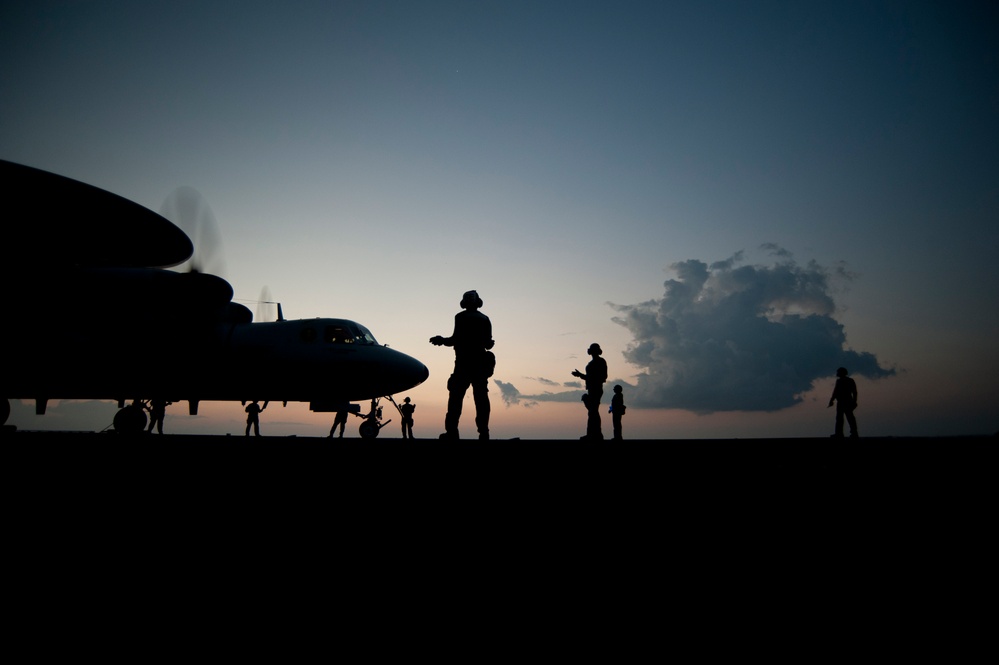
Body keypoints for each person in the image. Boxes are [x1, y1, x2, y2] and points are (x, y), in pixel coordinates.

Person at [430, 289, 495, 440]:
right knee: (481, 399)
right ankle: (484, 432)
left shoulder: (460, 317)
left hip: (462, 364)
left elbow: (455, 339)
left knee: (455, 399)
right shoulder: (485, 319)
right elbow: (488, 344)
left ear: (464, 303)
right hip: (479, 364)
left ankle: (452, 432)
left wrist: (442, 340)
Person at [572, 343, 608, 440]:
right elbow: (590, 377)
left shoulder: (601, 361)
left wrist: (581, 375)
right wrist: (580, 375)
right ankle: (593, 434)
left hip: (596, 388)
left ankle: (595, 435)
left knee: (593, 411)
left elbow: (603, 376)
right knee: (592, 412)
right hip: (591, 388)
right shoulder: (591, 363)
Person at [828, 367, 858, 438]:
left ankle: (841, 433)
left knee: (845, 418)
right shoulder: (847, 380)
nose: (837, 373)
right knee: (845, 418)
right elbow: (854, 392)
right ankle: (845, 433)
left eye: (838, 372)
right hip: (844, 402)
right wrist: (832, 400)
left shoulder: (843, 381)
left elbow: (836, 392)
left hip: (845, 402)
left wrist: (831, 400)